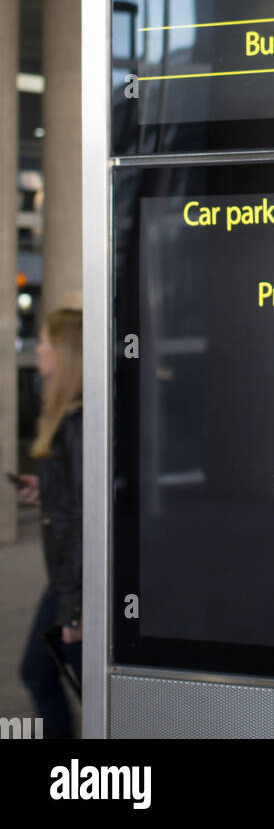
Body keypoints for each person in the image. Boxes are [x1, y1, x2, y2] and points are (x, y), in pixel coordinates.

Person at [18, 307, 83, 738]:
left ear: (65, 353)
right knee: (40, 674)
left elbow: (86, 521)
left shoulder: (78, 424)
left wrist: (76, 611)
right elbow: (76, 499)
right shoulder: (68, 420)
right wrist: (46, 491)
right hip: (63, 583)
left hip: (72, 588)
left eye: (44, 342)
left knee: (51, 676)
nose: (38, 349)